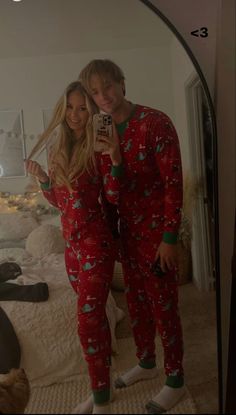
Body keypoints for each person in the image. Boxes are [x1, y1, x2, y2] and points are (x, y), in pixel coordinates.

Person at [79, 59, 185, 414]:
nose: (103, 97)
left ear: (122, 83)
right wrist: (111, 155)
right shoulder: (100, 136)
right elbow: (110, 195)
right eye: (95, 92)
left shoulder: (155, 123)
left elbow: (173, 184)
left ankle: (175, 380)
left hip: (157, 237)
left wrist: (170, 237)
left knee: (164, 306)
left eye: (107, 86)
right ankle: (146, 361)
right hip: (126, 237)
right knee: (137, 306)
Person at [25, 81, 124, 414]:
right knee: (91, 322)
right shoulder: (57, 149)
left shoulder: (98, 147)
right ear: (62, 108)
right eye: (70, 107)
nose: (76, 115)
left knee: (87, 321)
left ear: (92, 111)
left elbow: (112, 196)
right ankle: (100, 390)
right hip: (71, 249)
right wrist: (43, 180)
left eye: (83, 108)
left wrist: (114, 157)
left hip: (97, 244)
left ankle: (102, 402)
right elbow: (60, 203)